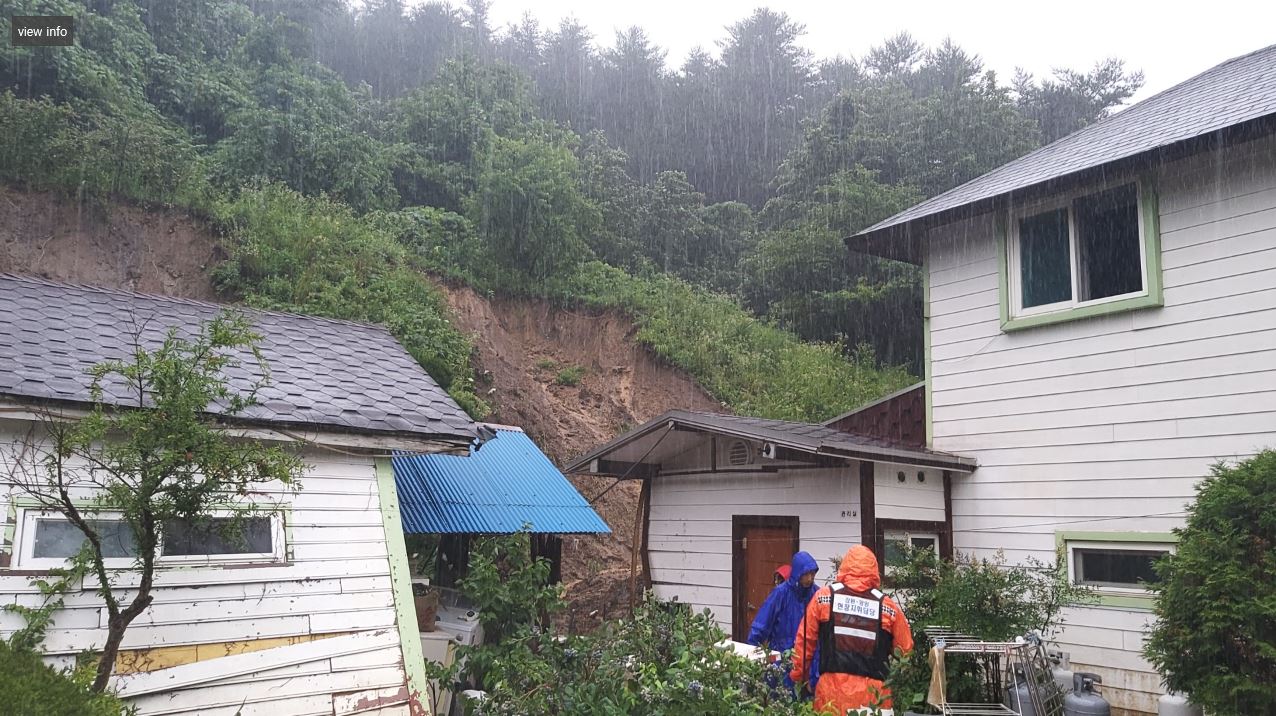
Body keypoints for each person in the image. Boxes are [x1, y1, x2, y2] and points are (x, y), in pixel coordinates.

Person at [790, 545, 913, 715]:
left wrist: (800, 678)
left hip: (832, 696)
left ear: (845, 567)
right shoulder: (887, 607)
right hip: (875, 698)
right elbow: (905, 651)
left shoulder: (824, 598)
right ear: (873, 570)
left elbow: (804, 642)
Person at [748, 551, 819, 693]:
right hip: (781, 661)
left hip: (808, 665)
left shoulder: (816, 594)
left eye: (812, 574)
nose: (810, 578)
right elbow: (761, 626)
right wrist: (751, 657)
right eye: (806, 574)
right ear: (798, 573)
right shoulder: (781, 594)